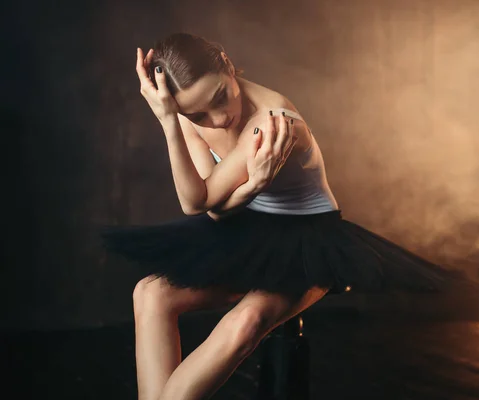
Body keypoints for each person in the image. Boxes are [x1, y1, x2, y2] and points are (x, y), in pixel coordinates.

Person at [102, 33, 453, 400]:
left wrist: (241, 190)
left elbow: (202, 201)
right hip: (248, 227)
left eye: (220, 96)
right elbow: (204, 206)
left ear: (225, 61)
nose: (218, 119)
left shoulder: (271, 121)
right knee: (149, 293)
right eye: (197, 114)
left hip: (308, 239)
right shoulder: (189, 112)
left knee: (245, 323)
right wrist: (170, 121)